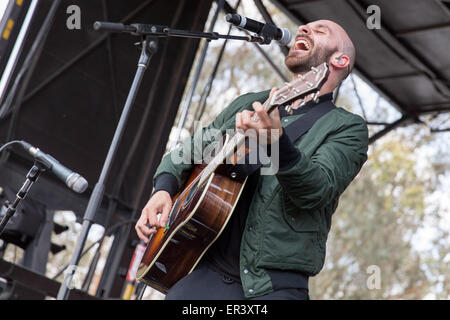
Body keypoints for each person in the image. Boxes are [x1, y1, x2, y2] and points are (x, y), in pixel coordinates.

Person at [135, 20, 368, 300]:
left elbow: (317, 190)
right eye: (304, 27)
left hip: (273, 286)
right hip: (208, 269)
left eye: (320, 31)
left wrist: (277, 143)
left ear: (340, 60)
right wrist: (163, 188)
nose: (304, 30)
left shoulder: (346, 127)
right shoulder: (251, 102)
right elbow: (189, 150)